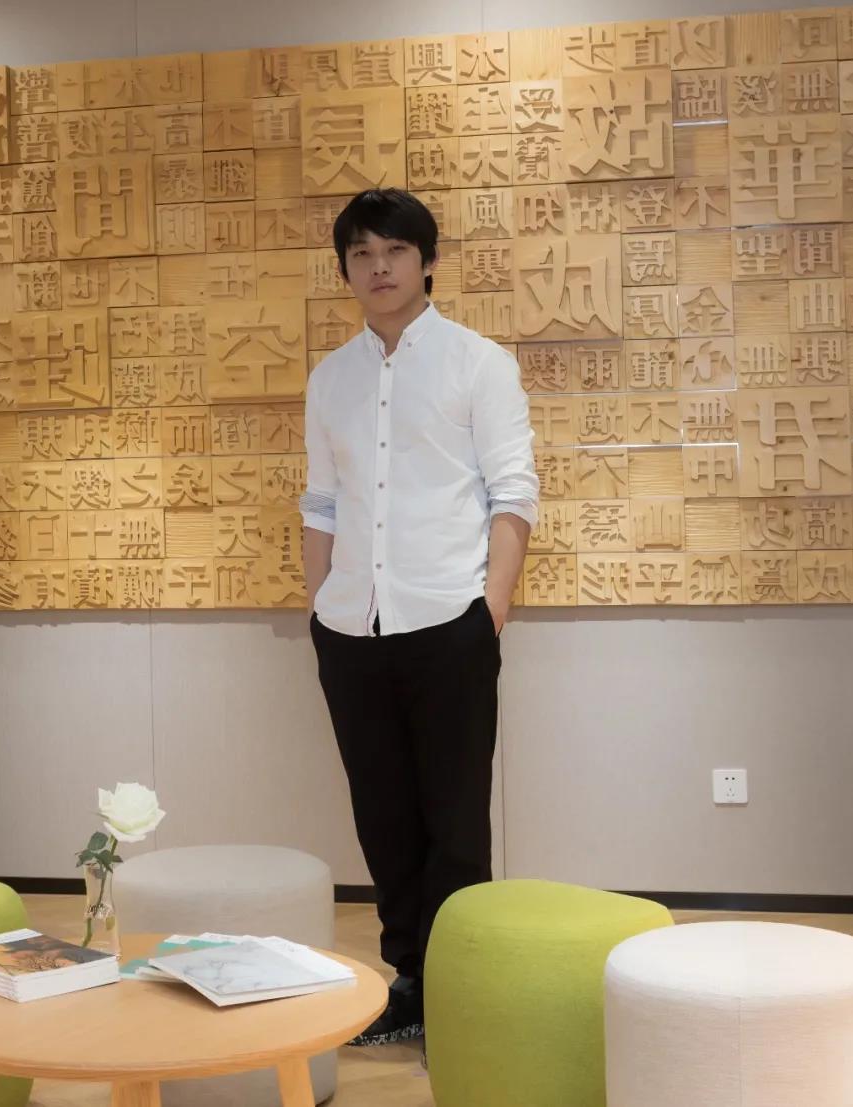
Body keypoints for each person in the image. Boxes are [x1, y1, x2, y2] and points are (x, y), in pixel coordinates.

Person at [299, 188, 539, 1046]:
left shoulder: (479, 363)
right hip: (350, 630)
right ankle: (410, 978)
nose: (380, 268)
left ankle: (460, 985)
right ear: (345, 270)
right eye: (362, 254)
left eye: (396, 251)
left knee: (455, 817)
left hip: (450, 622)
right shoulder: (330, 378)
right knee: (383, 814)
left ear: (427, 261)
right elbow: (322, 503)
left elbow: (513, 492)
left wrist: (490, 610)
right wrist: (318, 612)